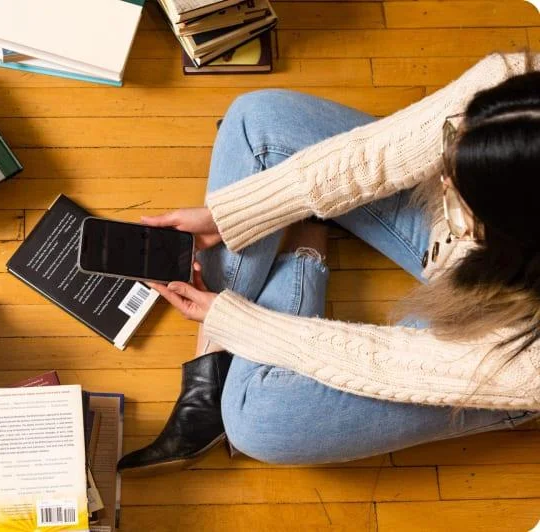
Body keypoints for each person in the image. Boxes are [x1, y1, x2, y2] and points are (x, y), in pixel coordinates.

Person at [117, 52, 540, 475]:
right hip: (482, 242)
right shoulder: (518, 85)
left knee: (257, 418)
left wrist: (233, 319)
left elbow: (382, 360)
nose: (440, 178)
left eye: (457, 196)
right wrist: (233, 215)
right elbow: (383, 153)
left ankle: (302, 245)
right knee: (255, 121)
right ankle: (208, 378)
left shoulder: (530, 362)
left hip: (495, 342)